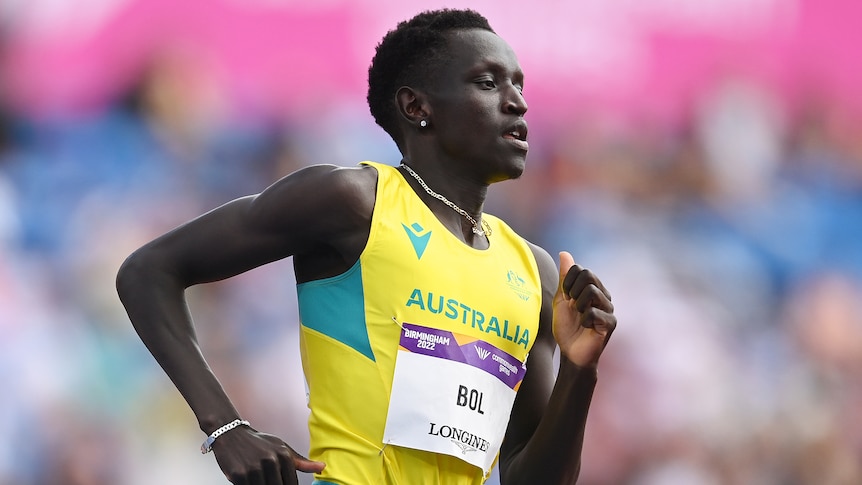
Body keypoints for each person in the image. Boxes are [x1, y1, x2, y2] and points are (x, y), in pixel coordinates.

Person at [116, 8, 616, 485]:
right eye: (488, 83)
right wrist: (224, 427)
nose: (517, 103)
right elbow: (148, 271)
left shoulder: (534, 271)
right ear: (416, 106)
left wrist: (579, 371)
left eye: (518, 85)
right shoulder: (354, 203)